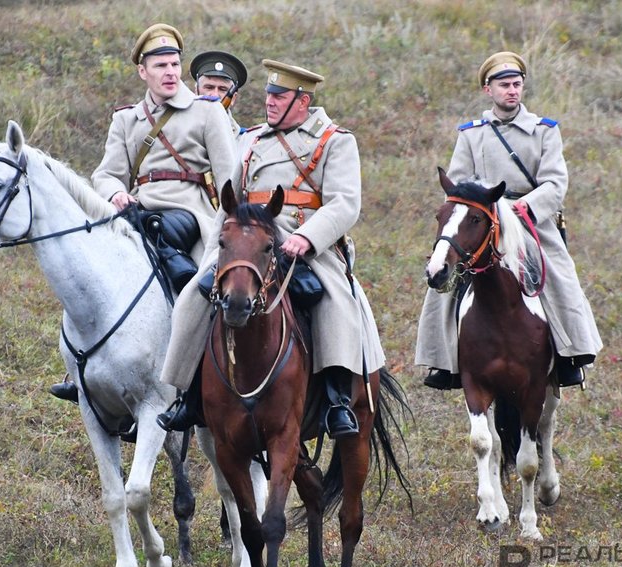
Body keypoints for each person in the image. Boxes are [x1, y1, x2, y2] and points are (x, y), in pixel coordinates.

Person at [157, 59, 386, 439]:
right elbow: (229, 202)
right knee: (194, 297)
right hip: (246, 243)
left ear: (303, 100)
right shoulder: (250, 139)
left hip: (305, 245)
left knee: (333, 303)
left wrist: (308, 238)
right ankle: (187, 395)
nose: (270, 102)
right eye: (269, 94)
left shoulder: (335, 140)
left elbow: (345, 203)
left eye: (280, 96)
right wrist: (218, 248)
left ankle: (336, 400)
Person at [49, 24, 237, 406]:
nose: (170, 72)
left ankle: (197, 378)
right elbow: (105, 173)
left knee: (191, 278)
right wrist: (116, 193)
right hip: (136, 211)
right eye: (161, 65)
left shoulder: (206, 113)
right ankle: (85, 365)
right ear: (143, 72)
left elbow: (230, 176)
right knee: (91, 266)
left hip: (190, 212)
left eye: (174, 64)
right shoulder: (126, 119)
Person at [415, 50, 602, 390]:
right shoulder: (472, 134)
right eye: (504, 85)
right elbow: (456, 187)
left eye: (516, 84)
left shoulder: (545, 131)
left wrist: (522, 209)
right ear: (489, 90)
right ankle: (444, 361)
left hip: (529, 220)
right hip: (482, 220)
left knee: (559, 276)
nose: (511, 91)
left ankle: (570, 353)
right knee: (444, 275)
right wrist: (472, 214)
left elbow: (555, 183)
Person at [190, 50, 249, 135]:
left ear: (233, 98)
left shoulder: (245, 140)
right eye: (209, 87)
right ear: (196, 91)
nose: (215, 95)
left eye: (222, 89)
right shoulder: (177, 129)